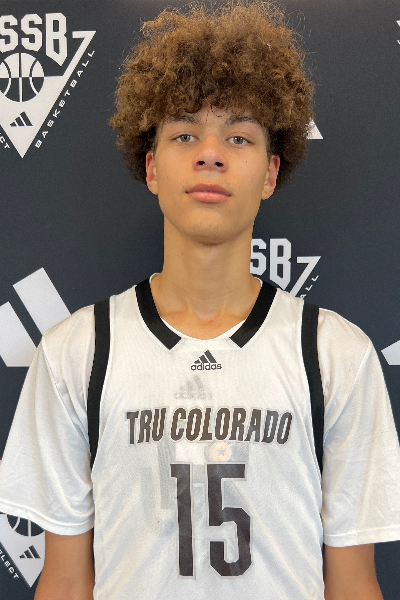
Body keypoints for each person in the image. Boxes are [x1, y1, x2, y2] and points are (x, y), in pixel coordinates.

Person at [0, 1, 400, 599]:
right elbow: (63, 579)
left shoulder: (336, 355)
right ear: (152, 168)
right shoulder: (77, 353)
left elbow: (353, 583)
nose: (210, 153)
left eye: (238, 137)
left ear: (270, 173)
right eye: (184, 133)